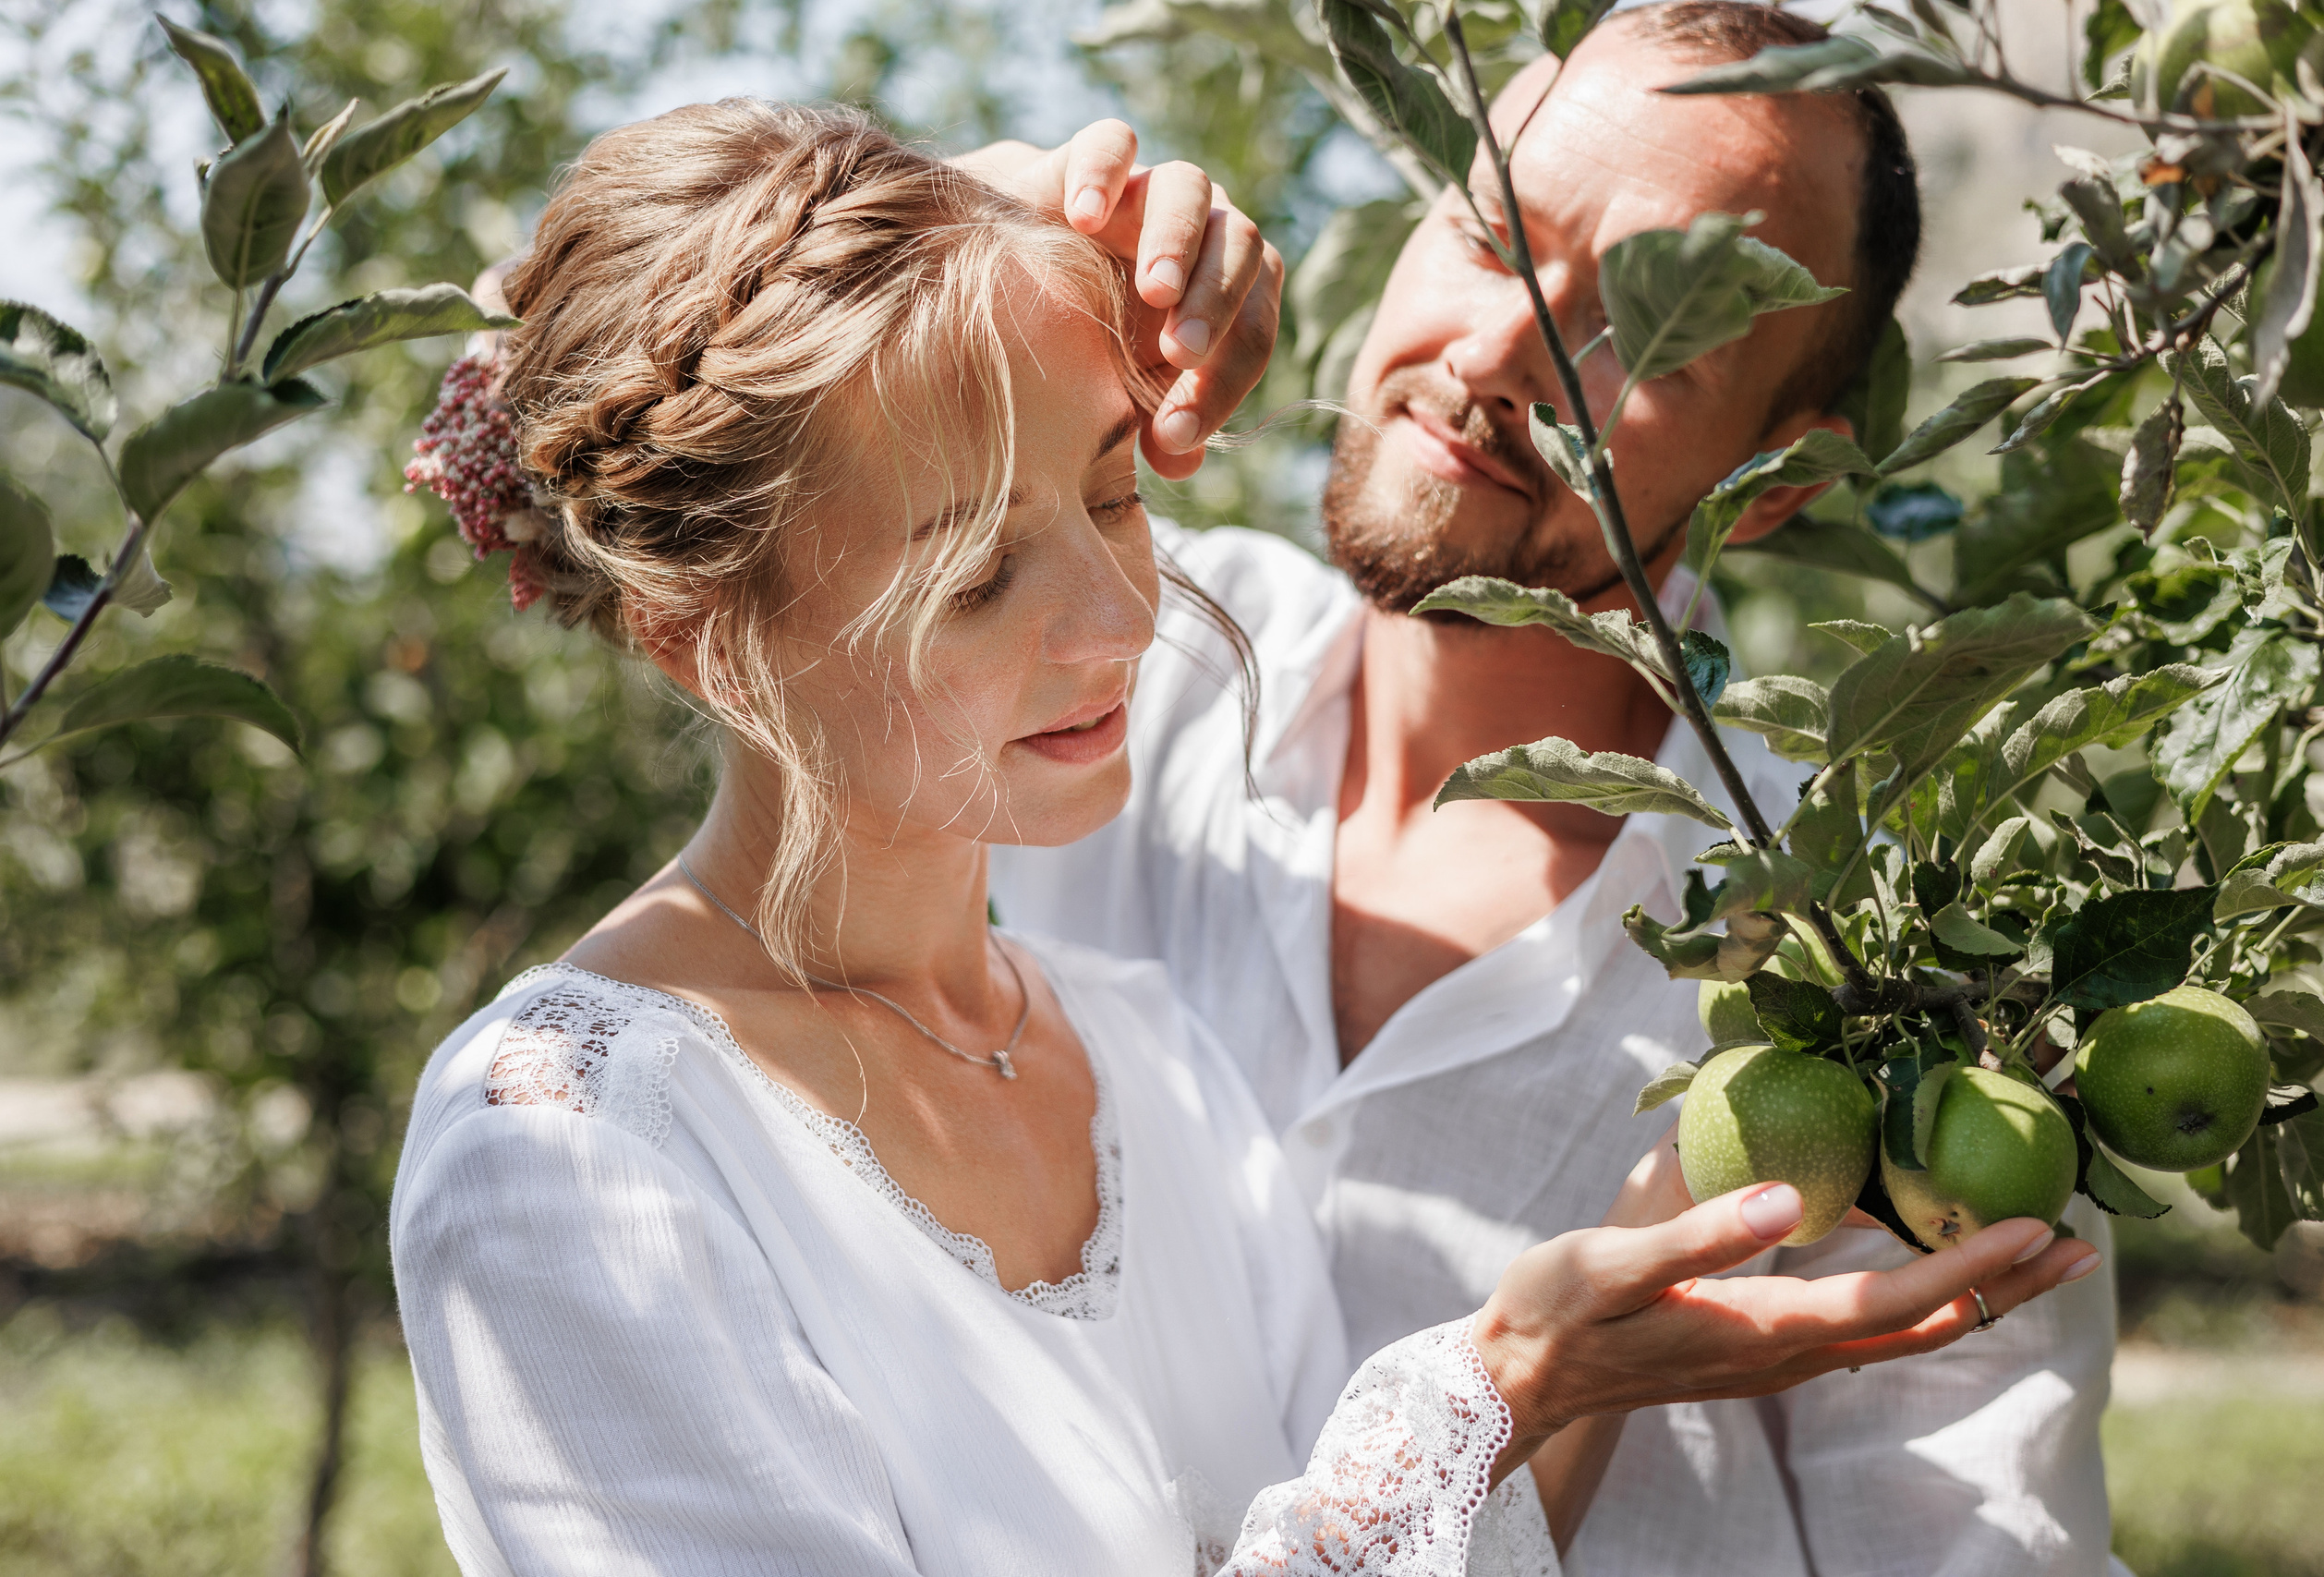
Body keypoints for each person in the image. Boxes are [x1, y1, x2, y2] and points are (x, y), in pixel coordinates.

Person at [388, 97, 2096, 1577]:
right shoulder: (572, 1157)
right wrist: (1496, 1385)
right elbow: (694, 409)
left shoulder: (1142, 1067)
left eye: (1123, 491)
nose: (1119, 621)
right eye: (977, 575)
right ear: (699, 637)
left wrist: (1549, 1384)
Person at [988, 4, 2127, 1573]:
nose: (1497, 347)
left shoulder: (1876, 974)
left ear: (1778, 479)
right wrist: (971, 247)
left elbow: (1969, 1547)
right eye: (1489, 233)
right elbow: (584, 459)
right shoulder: (1113, 657)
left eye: (1653, 331)